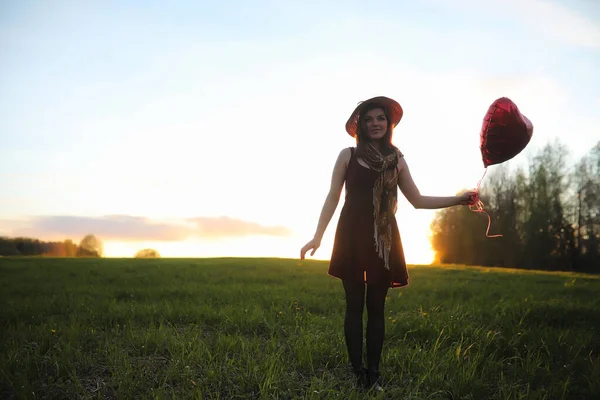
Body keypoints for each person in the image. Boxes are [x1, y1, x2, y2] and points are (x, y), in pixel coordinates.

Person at [300, 96, 476, 392]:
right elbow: (333, 197)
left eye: (380, 118)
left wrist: (458, 200)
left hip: (384, 238)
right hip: (351, 235)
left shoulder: (398, 160)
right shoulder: (348, 155)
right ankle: (358, 374)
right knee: (354, 306)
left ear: (389, 123)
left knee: (376, 307)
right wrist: (318, 235)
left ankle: (374, 374)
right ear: (360, 126)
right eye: (368, 120)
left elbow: (418, 201)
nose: (374, 124)